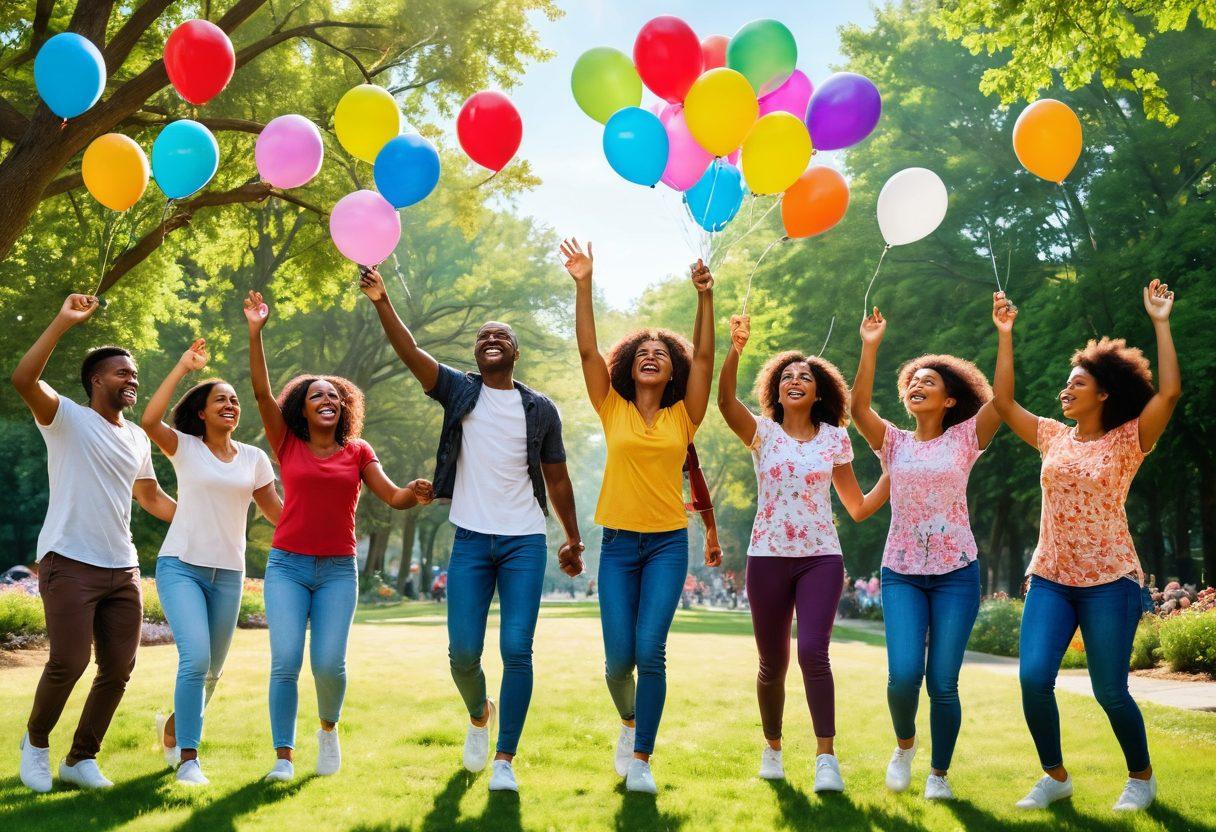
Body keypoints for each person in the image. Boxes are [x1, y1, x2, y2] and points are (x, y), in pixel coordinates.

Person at [358, 266, 582, 793]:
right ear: (476, 353)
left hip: (525, 539)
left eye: (501, 336)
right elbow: (412, 354)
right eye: (483, 336)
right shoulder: (460, 391)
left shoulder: (540, 409)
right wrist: (383, 301)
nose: (491, 340)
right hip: (472, 540)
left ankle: (505, 758)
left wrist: (571, 537)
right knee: (462, 654)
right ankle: (480, 712)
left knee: (518, 649)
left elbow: (557, 477)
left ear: (515, 352)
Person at [992, 282, 1179, 812]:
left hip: (1110, 580)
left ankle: (1141, 778)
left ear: (1104, 393)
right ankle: (1055, 777)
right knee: (1033, 679)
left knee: (1110, 690)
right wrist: (1005, 333)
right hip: (1051, 576)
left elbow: (1168, 394)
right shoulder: (1053, 436)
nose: (1065, 390)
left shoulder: (1129, 440)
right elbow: (1002, 403)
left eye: (1077, 383)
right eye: (1066, 383)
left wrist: (1160, 323)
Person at [244, 290, 434, 783]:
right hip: (287, 565)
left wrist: (414, 493)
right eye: (317, 395)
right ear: (302, 409)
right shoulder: (287, 443)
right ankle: (283, 758)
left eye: (334, 395)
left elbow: (391, 496)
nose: (327, 400)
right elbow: (262, 394)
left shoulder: (358, 451)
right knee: (286, 662)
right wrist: (255, 332)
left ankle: (328, 730)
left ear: (344, 406)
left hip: (336, 571)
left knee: (328, 664)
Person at [560, 237, 718, 794]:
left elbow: (705, 359)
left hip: (669, 544)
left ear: (673, 370)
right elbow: (587, 352)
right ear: (629, 366)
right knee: (617, 662)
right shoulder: (612, 408)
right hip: (620, 544)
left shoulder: (685, 416)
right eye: (642, 351)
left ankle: (644, 758)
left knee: (651, 651)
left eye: (662, 353)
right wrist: (584, 284)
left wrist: (705, 298)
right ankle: (629, 723)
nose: (652, 355)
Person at [718, 313, 889, 791]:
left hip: (820, 558)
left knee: (813, 652)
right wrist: (736, 349)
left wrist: (895, 473)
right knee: (772, 664)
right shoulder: (762, 433)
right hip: (767, 558)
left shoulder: (835, 438)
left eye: (805, 377)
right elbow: (725, 401)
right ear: (776, 390)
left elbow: (856, 507)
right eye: (787, 376)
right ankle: (772, 748)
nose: (795, 380)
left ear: (818, 393)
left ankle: (825, 757)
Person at [14, 294, 176, 793]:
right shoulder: (65, 418)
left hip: (122, 567)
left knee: (118, 668)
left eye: (135, 374)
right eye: (122, 372)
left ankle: (81, 758)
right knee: (69, 661)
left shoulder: (137, 438)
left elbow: (150, 496)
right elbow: (24, 379)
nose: (132, 380)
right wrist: (63, 321)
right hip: (69, 560)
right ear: (96, 380)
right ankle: (35, 746)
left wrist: (205, 516)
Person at [850, 305, 1002, 801]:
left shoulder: (965, 438)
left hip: (957, 572)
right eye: (912, 380)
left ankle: (939, 774)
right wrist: (870, 346)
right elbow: (858, 408)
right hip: (902, 572)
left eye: (929, 381)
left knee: (942, 682)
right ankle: (904, 746)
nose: (917, 383)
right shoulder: (893, 443)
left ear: (949, 399)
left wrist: (1004, 333)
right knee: (903, 677)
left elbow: (1003, 400)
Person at [140, 338, 283, 785]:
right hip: (181, 565)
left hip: (230, 573)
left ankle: (172, 729)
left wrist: (321, 522)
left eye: (235, 401)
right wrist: (183, 366)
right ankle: (189, 759)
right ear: (201, 411)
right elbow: (149, 420)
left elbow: (277, 512)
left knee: (213, 672)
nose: (230, 405)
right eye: (220, 399)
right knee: (196, 659)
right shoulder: (185, 446)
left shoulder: (254, 459)